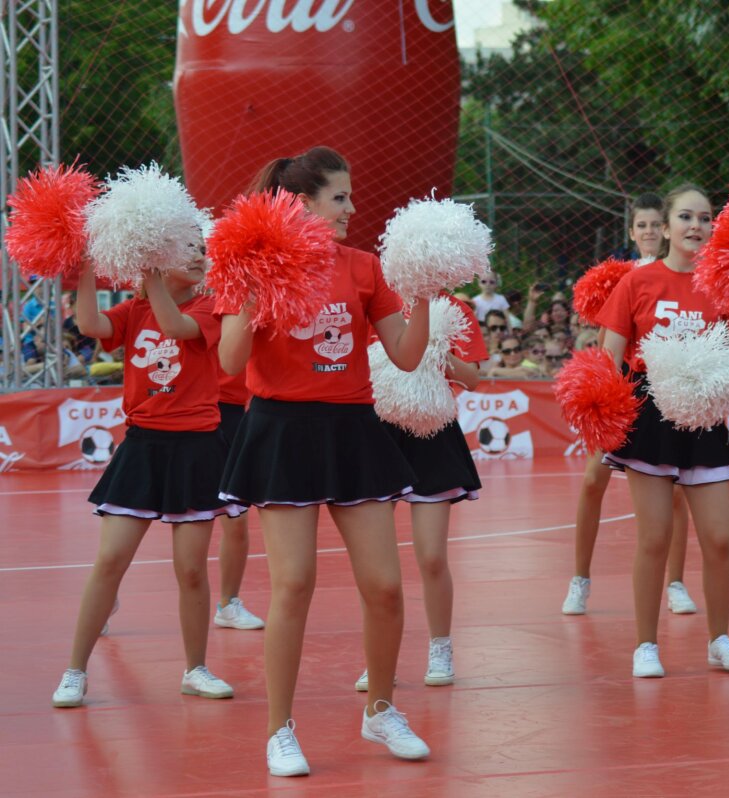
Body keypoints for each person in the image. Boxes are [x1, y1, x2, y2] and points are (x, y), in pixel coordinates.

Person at [217, 146, 432, 777]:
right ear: (304, 203)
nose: (351, 208)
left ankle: (381, 711)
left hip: (352, 429)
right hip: (282, 429)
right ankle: (279, 731)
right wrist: (254, 296)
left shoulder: (365, 267)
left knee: (386, 588)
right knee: (294, 585)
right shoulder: (254, 262)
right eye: (340, 197)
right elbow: (230, 364)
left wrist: (426, 294)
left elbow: (408, 357)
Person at [52, 235, 240, 709]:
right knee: (111, 560)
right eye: (189, 249)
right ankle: (75, 670)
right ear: (160, 258)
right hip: (142, 446)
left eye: (202, 249)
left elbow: (175, 327)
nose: (201, 257)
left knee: (191, 569)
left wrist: (152, 275)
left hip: (196, 447)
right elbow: (90, 322)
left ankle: (195, 669)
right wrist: (89, 266)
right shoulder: (134, 311)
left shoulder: (210, 308)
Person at [593, 184, 729, 677]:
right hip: (649, 412)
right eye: (685, 217)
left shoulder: (722, 282)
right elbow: (609, 357)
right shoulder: (636, 284)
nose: (696, 226)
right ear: (664, 228)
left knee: (720, 539)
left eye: (705, 218)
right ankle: (646, 644)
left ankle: (720, 639)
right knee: (654, 537)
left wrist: (715, 379)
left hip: (704, 415)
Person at [563, 192, 697, 618]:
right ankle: (580, 578)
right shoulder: (620, 279)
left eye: (657, 224)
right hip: (625, 393)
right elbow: (608, 342)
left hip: (669, 393)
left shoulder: (686, 275)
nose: (650, 232)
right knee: (591, 482)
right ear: (631, 231)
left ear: (668, 228)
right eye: (642, 225)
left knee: (675, 492)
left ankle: (675, 581)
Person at [355, 294, 487, 691]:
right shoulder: (374, 301)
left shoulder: (456, 308)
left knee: (431, 556)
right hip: (379, 432)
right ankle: (378, 659)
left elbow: (474, 377)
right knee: (375, 565)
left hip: (433, 434)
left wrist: (433, 353)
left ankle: (441, 646)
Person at [212, 370, 265, 631]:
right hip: (177, 411)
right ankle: (107, 599)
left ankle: (228, 604)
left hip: (229, 411)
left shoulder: (245, 326)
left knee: (236, 517)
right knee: (139, 514)